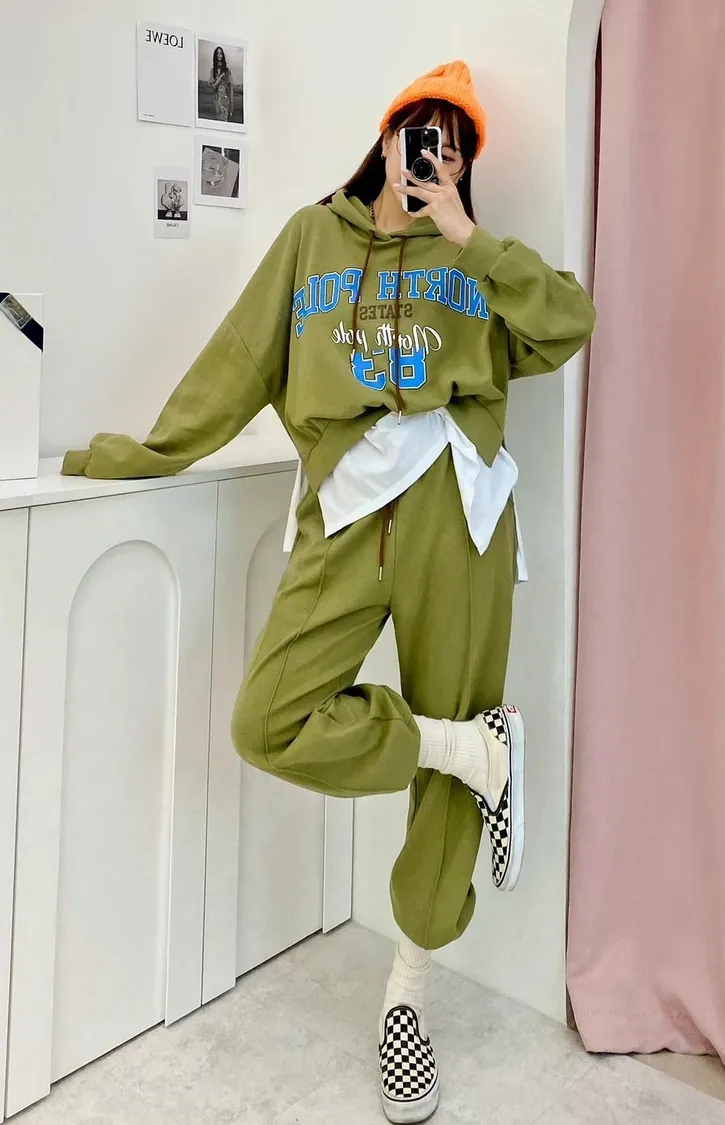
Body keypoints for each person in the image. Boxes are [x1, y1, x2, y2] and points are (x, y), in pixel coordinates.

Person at [63, 60, 595, 1124]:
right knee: (268, 719)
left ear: (465, 165)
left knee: (444, 748)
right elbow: (238, 360)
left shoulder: (476, 258)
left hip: (457, 508)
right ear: (384, 138)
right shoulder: (312, 240)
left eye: (453, 146)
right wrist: (146, 453)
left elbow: (569, 323)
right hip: (347, 510)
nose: (430, 156)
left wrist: (467, 237)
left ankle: (408, 998)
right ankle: (471, 748)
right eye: (418, 133)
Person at [210, 46, 234, 122]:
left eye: (221, 53)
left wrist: (231, 108)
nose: (219, 55)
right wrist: (220, 77)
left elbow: (231, 89)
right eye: (217, 53)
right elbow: (213, 87)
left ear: (223, 55)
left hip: (226, 102)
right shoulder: (212, 71)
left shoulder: (227, 71)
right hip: (217, 102)